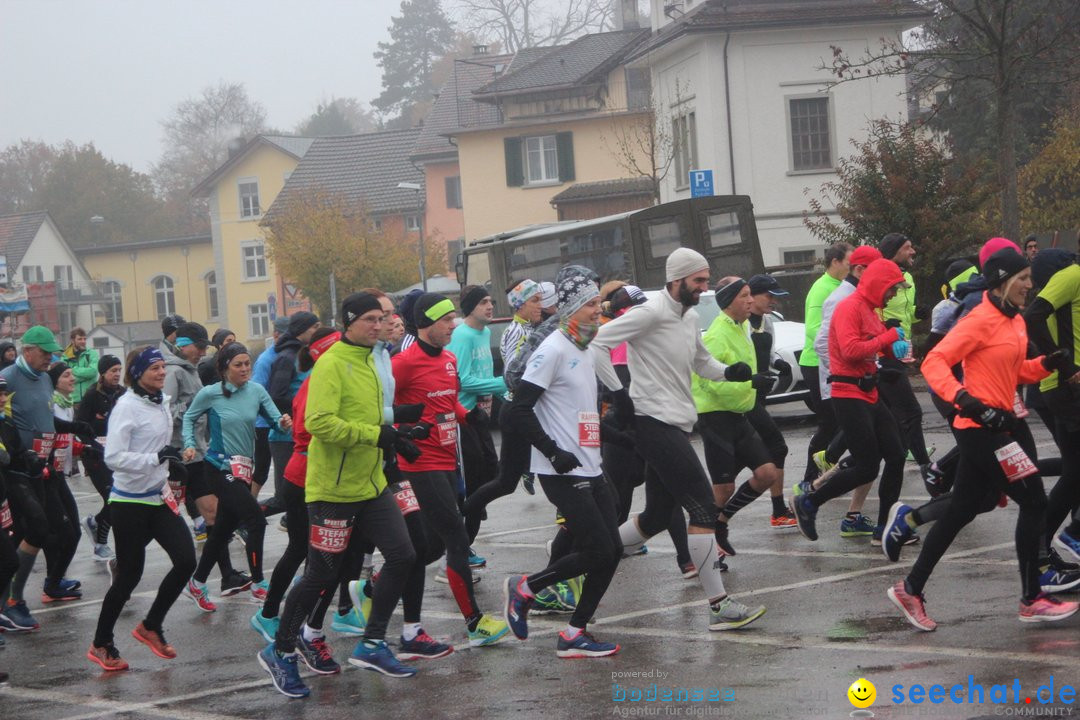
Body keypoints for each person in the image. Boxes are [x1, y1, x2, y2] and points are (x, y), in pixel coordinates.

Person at [887, 249, 1079, 630]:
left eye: (1030, 277)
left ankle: (911, 588)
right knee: (1034, 500)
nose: (1030, 284)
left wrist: (1045, 365)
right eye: (1023, 278)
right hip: (980, 429)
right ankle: (1031, 598)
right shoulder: (979, 320)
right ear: (1003, 281)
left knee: (965, 507)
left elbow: (1015, 371)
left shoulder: (1015, 321)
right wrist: (965, 400)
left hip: (1008, 423)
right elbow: (934, 362)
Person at [591, 248, 766, 631]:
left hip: (676, 422)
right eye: (699, 281)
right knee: (704, 509)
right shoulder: (651, 311)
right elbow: (597, 343)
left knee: (654, 517)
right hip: (652, 422)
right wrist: (618, 393)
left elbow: (702, 362)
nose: (704, 288)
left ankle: (574, 560)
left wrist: (734, 373)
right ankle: (719, 605)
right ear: (677, 279)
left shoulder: (687, 317)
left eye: (706, 280)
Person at [259, 292, 420, 697]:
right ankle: (281, 651)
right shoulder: (332, 363)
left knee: (404, 554)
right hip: (332, 489)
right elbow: (319, 422)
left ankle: (372, 643)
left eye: (382, 318)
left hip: (370, 483)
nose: (378, 324)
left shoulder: (374, 359)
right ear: (349, 323)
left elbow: (371, 415)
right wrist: (376, 434)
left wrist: (399, 433)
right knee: (321, 574)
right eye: (369, 318)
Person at [503, 270, 622, 657]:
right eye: (590, 305)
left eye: (597, 305)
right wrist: (553, 450)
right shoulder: (553, 349)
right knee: (598, 549)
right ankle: (526, 588)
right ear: (571, 308)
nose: (597, 312)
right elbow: (519, 411)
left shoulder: (584, 346)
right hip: (559, 469)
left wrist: (614, 439)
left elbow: (583, 411)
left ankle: (573, 634)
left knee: (613, 549)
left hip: (589, 464)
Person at [392, 292, 510, 646]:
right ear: (426, 323)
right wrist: (400, 436)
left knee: (428, 547)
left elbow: (447, 398)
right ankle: (474, 623)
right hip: (419, 462)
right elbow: (379, 405)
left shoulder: (446, 359)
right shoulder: (403, 363)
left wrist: (466, 415)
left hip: (447, 458)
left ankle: (371, 587)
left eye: (453, 319)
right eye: (445, 320)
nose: (452, 325)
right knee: (456, 536)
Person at [86, 346, 197, 671]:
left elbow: (157, 446)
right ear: (138, 374)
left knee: (186, 560)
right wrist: (155, 459)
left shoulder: (161, 400)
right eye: (155, 368)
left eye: (163, 367)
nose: (162, 372)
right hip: (129, 503)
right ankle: (101, 642)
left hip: (158, 496)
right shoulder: (126, 407)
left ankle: (151, 626)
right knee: (129, 576)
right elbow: (114, 458)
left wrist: (170, 463)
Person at [790, 259, 909, 545]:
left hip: (869, 391)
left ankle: (884, 528)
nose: (893, 295)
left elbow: (872, 348)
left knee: (895, 455)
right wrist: (888, 338)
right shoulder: (849, 306)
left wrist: (890, 353)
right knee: (867, 466)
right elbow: (851, 349)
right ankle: (809, 502)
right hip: (848, 395)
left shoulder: (870, 310)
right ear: (880, 284)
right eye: (892, 289)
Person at [182, 343, 291, 609]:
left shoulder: (256, 391)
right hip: (218, 468)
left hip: (243, 470)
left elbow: (276, 419)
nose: (244, 369)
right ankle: (258, 584)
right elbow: (189, 418)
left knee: (220, 531)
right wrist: (190, 443)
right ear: (224, 368)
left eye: (247, 364)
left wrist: (284, 422)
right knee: (255, 520)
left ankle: (196, 583)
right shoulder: (211, 394)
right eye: (238, 365)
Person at [693, 278, 785, 556]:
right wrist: (751, 383)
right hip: (715, 415)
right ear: (729, 301)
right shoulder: (716, 335)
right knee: (723, 487)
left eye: (749, 295)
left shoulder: (743, 325)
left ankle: (720, 522)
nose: (750, 300)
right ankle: (704, 540)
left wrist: (762, 376)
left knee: (767, 473)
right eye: (744, 296)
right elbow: (708, 381)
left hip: (740, 412)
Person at [163, 323, 247, 596]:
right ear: (183, 344)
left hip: (197, 454)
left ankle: (227, 577)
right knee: (158, 517)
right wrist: (194, 407)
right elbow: (165, 410)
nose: (201, 352)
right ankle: (123, 559)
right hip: (177, 456)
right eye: (198, 347)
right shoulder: (173, 372)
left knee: (213, 514)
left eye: (204, 348)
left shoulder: (192, 370)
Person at [810, 246, 885, 537]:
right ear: (861, 271)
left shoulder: (863, 298)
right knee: (872, 455)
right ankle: (813, 492)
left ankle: (831, 497)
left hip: (867, 382)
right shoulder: (840, 298)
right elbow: (822, 345)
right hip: (848, 388)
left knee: (876, 452)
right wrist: (848, 374)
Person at [447, 286, 507, 547]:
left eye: (491, 301)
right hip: (463, 418)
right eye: (483, 302)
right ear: (470, 307)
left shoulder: (483, 333)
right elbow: (462, 380)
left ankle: (469, 522)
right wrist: (503, 384)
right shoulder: (463, 335)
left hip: (481, 415)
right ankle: (458, 546)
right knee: (473, 480)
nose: (490, 306)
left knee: (491, 471)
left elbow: (481, 378)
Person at [745, 273, 796, 529]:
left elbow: (769, 350)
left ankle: (777, 511)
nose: (773, 302)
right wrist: (751, 378)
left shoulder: (767, 322)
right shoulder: (740, 324)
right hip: (743, 398)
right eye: (769, 296)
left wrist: (778, 363)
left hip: (760, 396)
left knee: (768, 451)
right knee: (776, 447)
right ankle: (777, 510)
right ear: (750, 296)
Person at [799, 243, 853, 483]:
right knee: (830, 423)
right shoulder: (822, 288)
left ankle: (824, 471)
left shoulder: (843, 287)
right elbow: (813, 329)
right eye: (850, 263)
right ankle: (809, 477)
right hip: (816, 363)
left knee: (842, 422)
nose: (853, 268)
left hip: (832, 362)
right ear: (836, 262)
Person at [266, 312, 321, 519]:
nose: (317, 331)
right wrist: (305, 409)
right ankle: (246, 517)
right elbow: (276, 396)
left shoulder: (303, 354)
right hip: (285, 437)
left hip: (300, 434)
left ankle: (296, 529)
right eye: (314, 327)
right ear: (301, 331)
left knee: (302, 497)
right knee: (283, 498)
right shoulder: (287, 358)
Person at [77, 354, 125, 561]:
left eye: (119, 370)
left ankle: (94, 523)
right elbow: (79, 426)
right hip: (95, 457)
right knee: (112, 499)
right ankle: (100, 545)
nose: (117, 374)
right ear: (102, 373)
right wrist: (94, 442)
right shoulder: (91, 396)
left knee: (118, 499)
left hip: (118, 455)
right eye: (113, 371)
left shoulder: (123, 394)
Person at [251, 315, 290, 506]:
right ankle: (248, 508)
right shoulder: (266, 359)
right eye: (286, 335)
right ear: (276, 335)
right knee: (261, 470)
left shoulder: (289, 354)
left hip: (281, 422)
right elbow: (256, 390)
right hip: (264, 424)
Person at [500, 279, 542, 365]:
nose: (540, 306)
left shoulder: (526, 327)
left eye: (540, 300)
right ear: (520, 304)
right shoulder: (517, 332)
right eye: (535, 300)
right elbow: (513, 370)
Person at [62, 327, 99, 405]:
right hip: (72, 401)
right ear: (72, 340)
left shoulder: (92, 354)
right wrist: (86, 376)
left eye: (84, 339)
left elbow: (93, 372)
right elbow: (63, 378)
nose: (83, 341)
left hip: (90, 400)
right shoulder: (65, 357)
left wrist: (73, 370)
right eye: (80, 339)